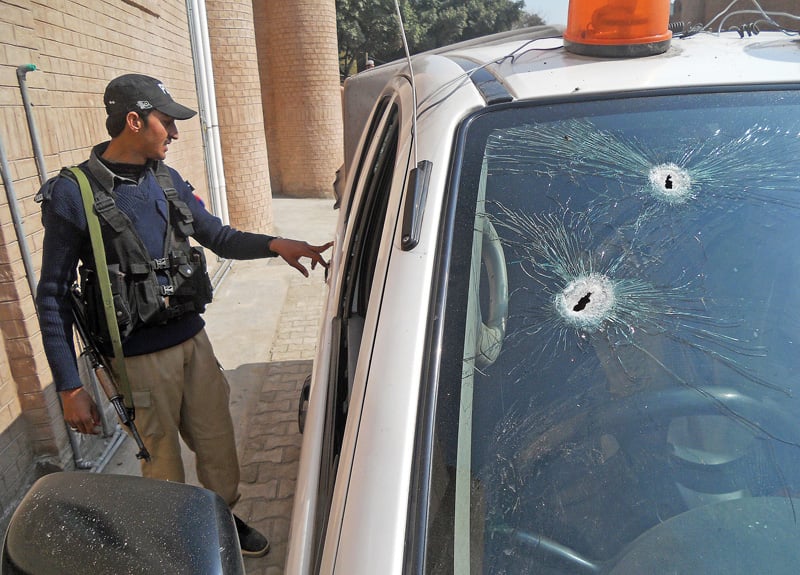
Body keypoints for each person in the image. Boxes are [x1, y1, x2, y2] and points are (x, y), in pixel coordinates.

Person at [35, 73, 333, 558]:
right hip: (136, 361)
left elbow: (218, 235)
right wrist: (70, 386)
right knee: (165, 469)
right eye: (166, 122)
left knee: (219, 452)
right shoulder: (74, 195)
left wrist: (277, 244)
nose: (174, 133)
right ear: (134, 121)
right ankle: (177, 544)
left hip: (194, 343)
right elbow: (51, 294)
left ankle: (219, 522)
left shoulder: (167, 180)